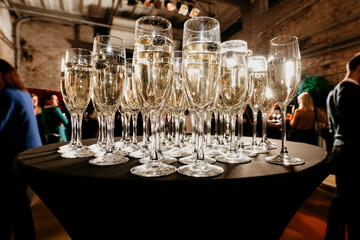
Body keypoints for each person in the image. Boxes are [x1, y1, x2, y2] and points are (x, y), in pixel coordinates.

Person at [0, 59, 42, 239]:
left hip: (13, 160)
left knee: (11, 205)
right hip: (28, 156)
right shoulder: (23, 94)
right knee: (17, 204)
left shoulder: (7, 95)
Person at [325, 53, 360, 239]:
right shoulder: (355, 91)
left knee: (342, 196)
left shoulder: (333, 92)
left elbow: (332, 128)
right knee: (352, 200)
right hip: (355, 151)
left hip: (339, 148)